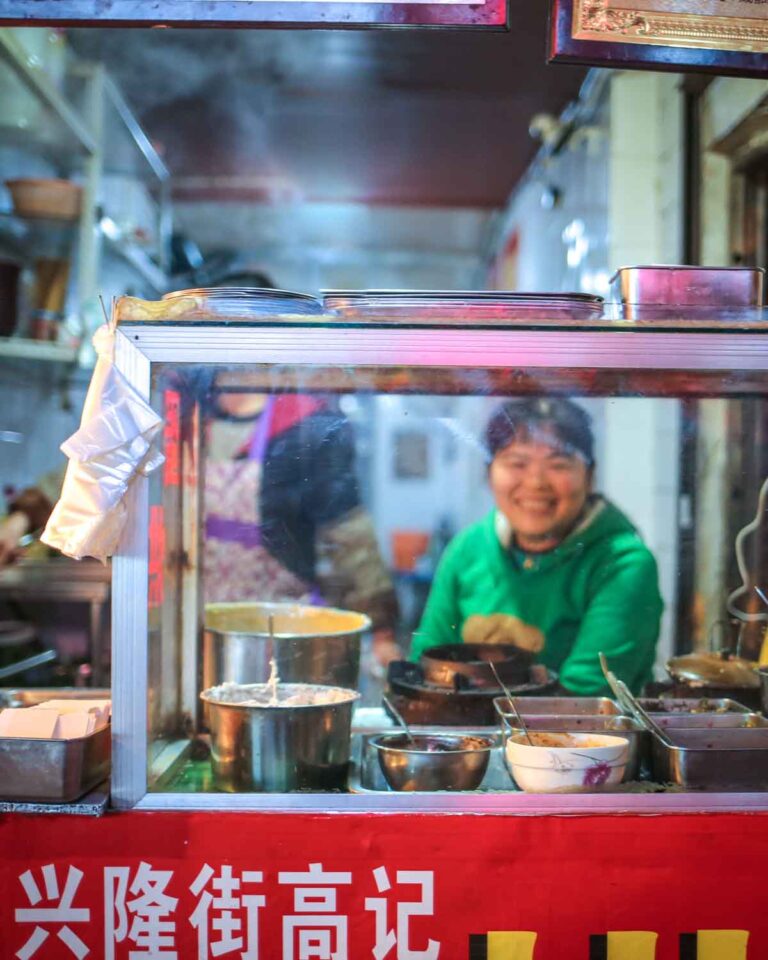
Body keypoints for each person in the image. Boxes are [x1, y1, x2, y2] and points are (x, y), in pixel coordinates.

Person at [411, 397, 663, 694]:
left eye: (558, 464)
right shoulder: (468, 548)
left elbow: (585, 699)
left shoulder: (622, 564)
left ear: (590, 476)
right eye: (516, 462)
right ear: (488, 473)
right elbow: (425, 664)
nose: (535, 482)